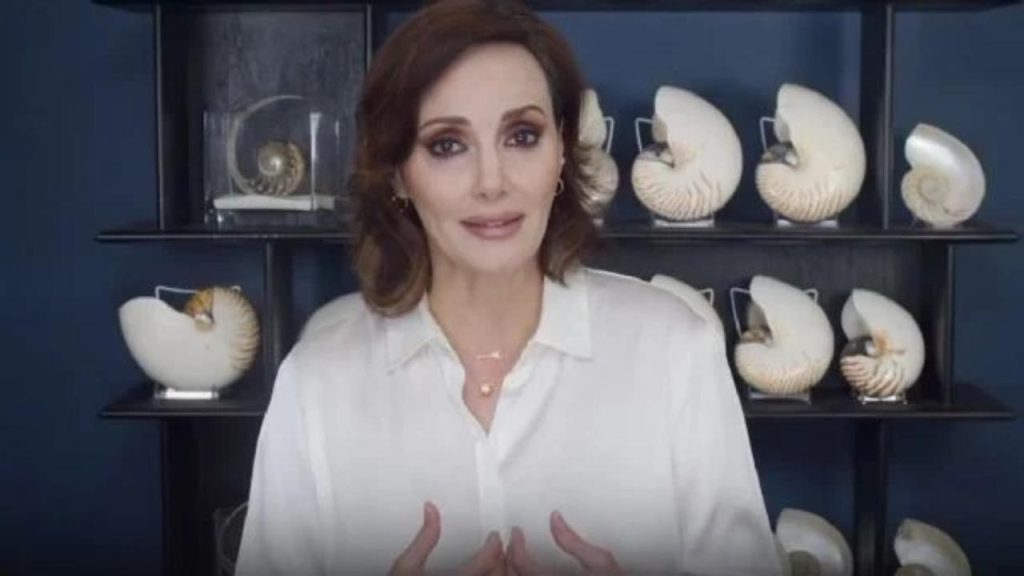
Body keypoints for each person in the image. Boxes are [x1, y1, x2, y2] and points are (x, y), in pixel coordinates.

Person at [236, 0, 781, 574]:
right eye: (447, 145)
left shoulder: (676, 351)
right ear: (398, 172)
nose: (492, 182)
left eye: (522, 136)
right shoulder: (317, 384)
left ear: (562, 152)